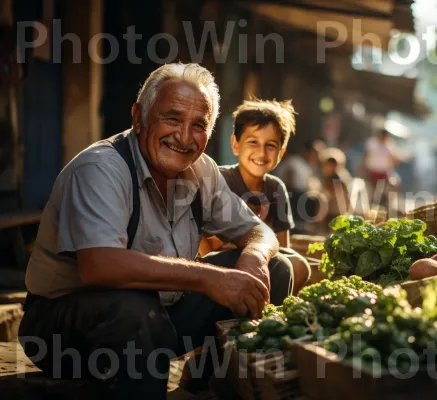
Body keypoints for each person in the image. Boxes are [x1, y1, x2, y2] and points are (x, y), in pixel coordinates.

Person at [18, 63, 293, 399]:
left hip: (161, 318)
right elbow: (100, 265)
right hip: (65, 331)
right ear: (138, 117)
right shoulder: (101, 169)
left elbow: (261, 232)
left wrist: (252, 257)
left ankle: (219, 382)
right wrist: (211, 278)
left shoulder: (200, 169)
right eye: (173, 119)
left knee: (274, 270)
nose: (184, 137)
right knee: (132, 308)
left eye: (198, 125)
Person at [199, 98, 311, 294]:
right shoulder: (219, 179)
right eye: (253, 142)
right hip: (219, 265)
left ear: (281, 153)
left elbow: (282, 246)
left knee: (298, 264)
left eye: (270, 145)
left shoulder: (276, 188)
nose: (261, 152)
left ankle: (270, 317)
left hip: (262, 261)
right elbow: (203, 243)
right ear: (235, 144)